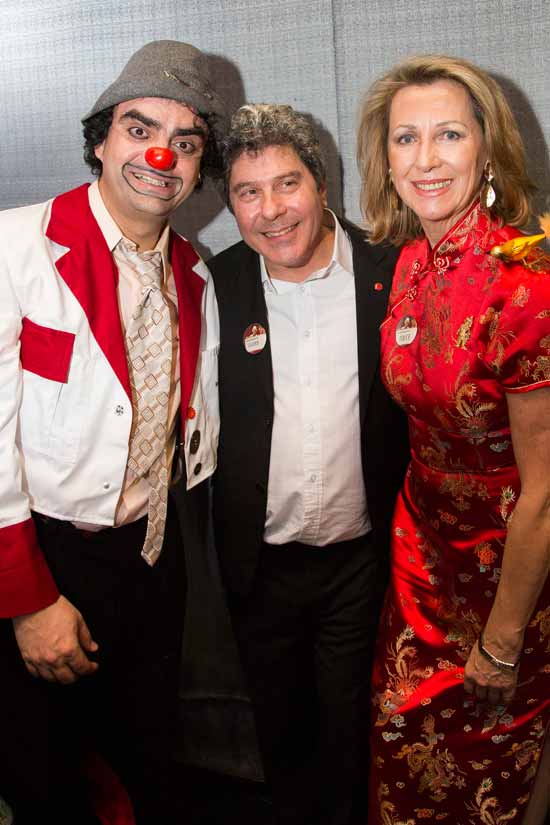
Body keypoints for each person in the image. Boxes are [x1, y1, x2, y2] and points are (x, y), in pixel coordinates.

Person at [0, 40, 224, 825]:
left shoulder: (194, 273)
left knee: (148, 764)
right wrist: (28, 601)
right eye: (140, 128)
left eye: (186, 142)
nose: (161, 153)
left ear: (198, 168)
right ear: (101, 139)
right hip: (43, 560)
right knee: (47, 782)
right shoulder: (13, 247)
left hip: (151, 564)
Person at [357, 54, 550, 825]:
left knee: (493, 775)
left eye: (448, 135)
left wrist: (502, 641)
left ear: (488, 147)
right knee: (403, 764)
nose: (425, 159)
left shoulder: (528, 281)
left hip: (510, 577)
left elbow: (545, 490)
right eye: (406, 139)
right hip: (419, 569)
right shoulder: (409, 261)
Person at [208, 104, 409, 825]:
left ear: (322, 184)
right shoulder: (216, 285)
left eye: (286, 184)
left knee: (354, 729)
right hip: (260, 570)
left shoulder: (391, 271)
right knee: (280, 731)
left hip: (362, 561)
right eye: (247, 192)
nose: (270, 211)